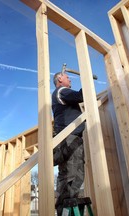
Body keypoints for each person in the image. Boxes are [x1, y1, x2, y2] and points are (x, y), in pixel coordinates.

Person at [52, 71, 85, 216]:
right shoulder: (62, 91)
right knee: (70, 178)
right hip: (69, 138)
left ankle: (67, 211)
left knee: (72, 177)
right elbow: (80, 96)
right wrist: (86, 78)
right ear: (60, 79)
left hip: (71, 138)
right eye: (67, 77)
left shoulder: (61, 94)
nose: (70, 79)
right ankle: (64, 212)